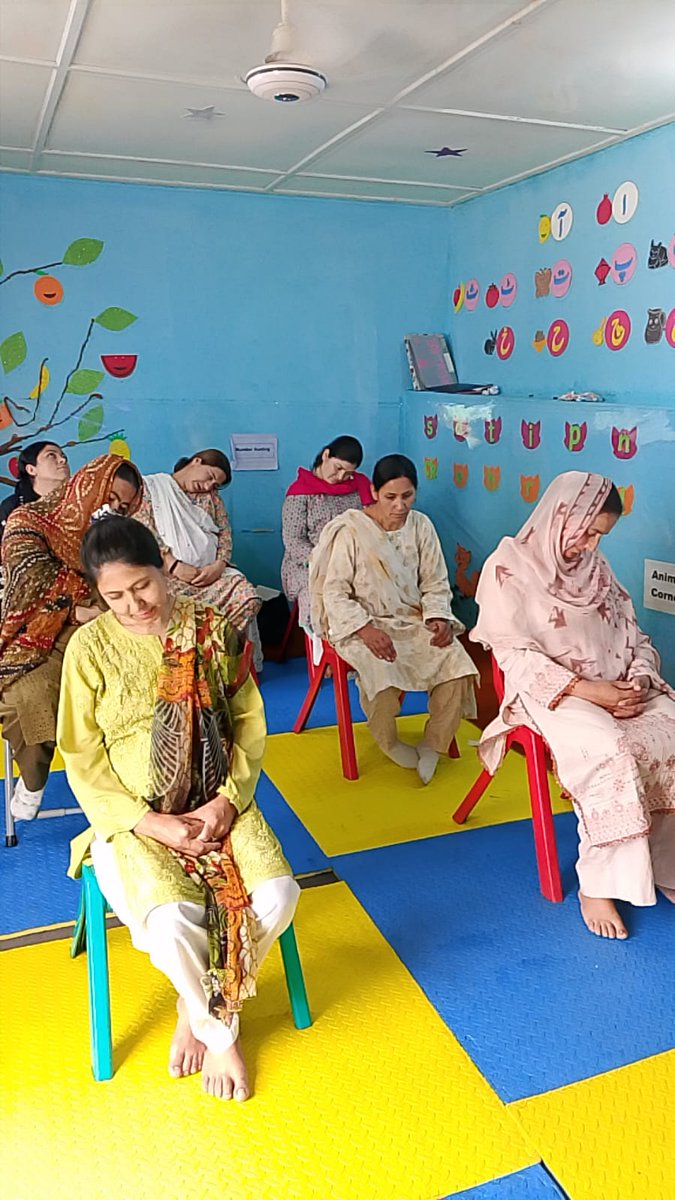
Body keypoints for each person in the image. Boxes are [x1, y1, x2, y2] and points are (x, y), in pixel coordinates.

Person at [57, 516, 298, 1101]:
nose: (132, 604)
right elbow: (82, 757)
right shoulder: (88, 649)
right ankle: (219, 1031)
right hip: (134, 820)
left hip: (217, 802)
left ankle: (194, 1006)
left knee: (279, 895)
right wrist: (150, 821)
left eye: (141, 585)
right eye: (113, 595)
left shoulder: (212, 630)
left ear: (162, 568)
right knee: (169, 924)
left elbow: (247, 721)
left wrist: (228, 800)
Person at [470, 471, 675, 940]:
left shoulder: (598, 571)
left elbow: (634, 637)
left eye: (600, 535)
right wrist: (591, 691)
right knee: (610, 749)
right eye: (587, 530)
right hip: (553, 693)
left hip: (615, 683)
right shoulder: (510, 567)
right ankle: (597, 884)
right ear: (563, 515)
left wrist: (639, 680)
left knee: (670, 729)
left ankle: (667, 865)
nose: (589, 544)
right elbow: (513, 657)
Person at [309, 454, 478, 784]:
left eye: (407, 496)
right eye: (390, 497)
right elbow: (336, 593)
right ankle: (389, 742)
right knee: (381, 672)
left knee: (457, 665)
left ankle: (433, 744)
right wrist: (366, 629)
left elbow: (434, 581)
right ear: (373, 491)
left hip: (412, 620)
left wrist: (439, 616)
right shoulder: (351, 531)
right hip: (360, 624)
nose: (400, 506)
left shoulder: (421, 525)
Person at [0, 453, 142, 820]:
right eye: (109, 498)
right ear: (89, 485)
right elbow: (29, 581)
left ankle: (137, 781)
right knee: (31, 698)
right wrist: (76, 609)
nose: (112, 510)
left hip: (103, 629)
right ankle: (33, 779)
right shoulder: (27, 520)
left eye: (122, 507)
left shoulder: (114, 536)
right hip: (36, 635)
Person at [135, 449, 261, 638]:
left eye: (215, 484)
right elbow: (143, 532)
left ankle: (212, 647)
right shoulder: (151, 488)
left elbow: (225, 534)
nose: (209, 485)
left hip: (212, 578)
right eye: (210, 476)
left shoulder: (212, 499)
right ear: (196, 461)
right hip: (170, 578)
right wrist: (174, 566)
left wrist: (219, 566)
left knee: (248, 597)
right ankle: (193, 649)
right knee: (168, 607)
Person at [281, 435, 372, 656]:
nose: (341, 477)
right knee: (319, 594)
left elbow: (371, 526)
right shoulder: (300, 492)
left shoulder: (359, 486)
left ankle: (361, 652)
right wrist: (325, 562)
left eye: (348, 473)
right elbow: (293, 541)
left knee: (374, 588)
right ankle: (325, 654)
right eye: (338, 468)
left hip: (353, 560)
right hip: (309, 565)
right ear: (326, 455)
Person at [0, 441, 70, 538]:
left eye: (63, 456)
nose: (63, 460)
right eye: (51, 455)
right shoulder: (11, 508)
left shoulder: (81, 496)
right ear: (31, 469)